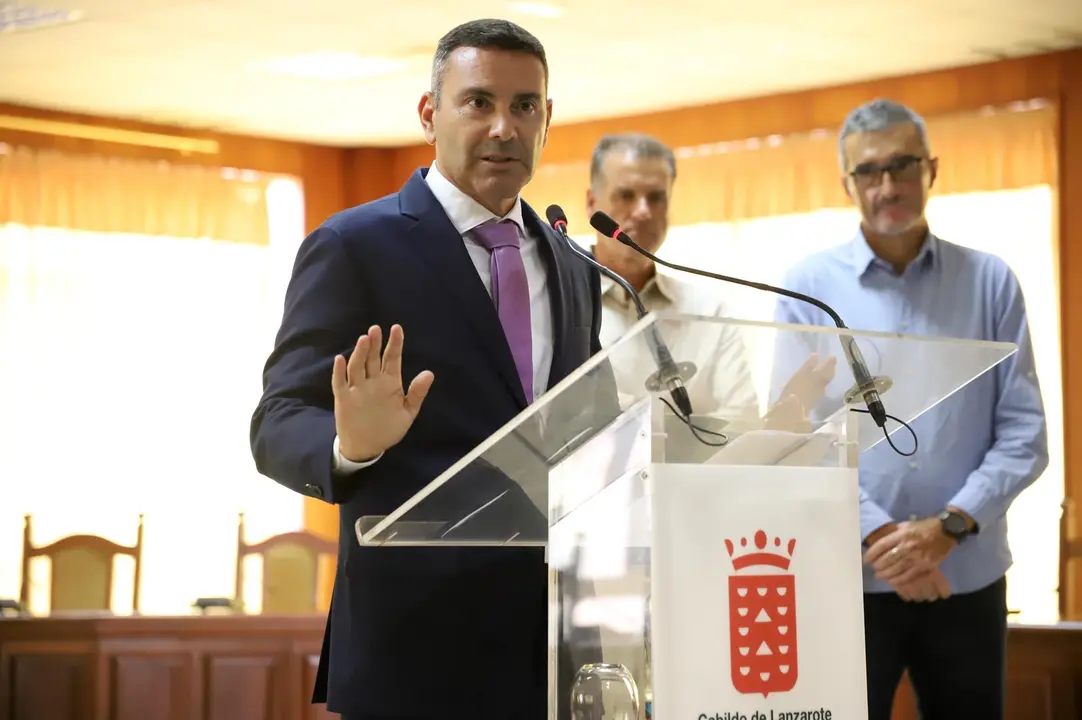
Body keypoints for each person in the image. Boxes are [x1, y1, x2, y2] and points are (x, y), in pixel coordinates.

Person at [250, 19, 609, 720]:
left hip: (554, 643)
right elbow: (276, 421)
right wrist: (351, 445)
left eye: (525, 105)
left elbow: (586, 426)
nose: (505, 126)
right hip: (414, 649)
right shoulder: (354, 245)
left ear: (547, 119)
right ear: (429, 113)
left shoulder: (574, 266)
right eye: (479, 102)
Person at [772, 98, 1048, 719]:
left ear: (933, 169)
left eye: (902, 165)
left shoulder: (991, 281)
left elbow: (1024, 433)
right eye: (868, 171)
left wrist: (948, 529)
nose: (887, 185)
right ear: (847, 183)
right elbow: (802, 437)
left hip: (967, 575)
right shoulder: (804, 290)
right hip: (849, 582)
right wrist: (890, 540)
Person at [584, 133, 758, 418]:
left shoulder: (708, 311)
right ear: (592, 203)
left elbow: (744, 418)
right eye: (626, 195)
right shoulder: (556, 302)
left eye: (656, 198)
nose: (643, 211)